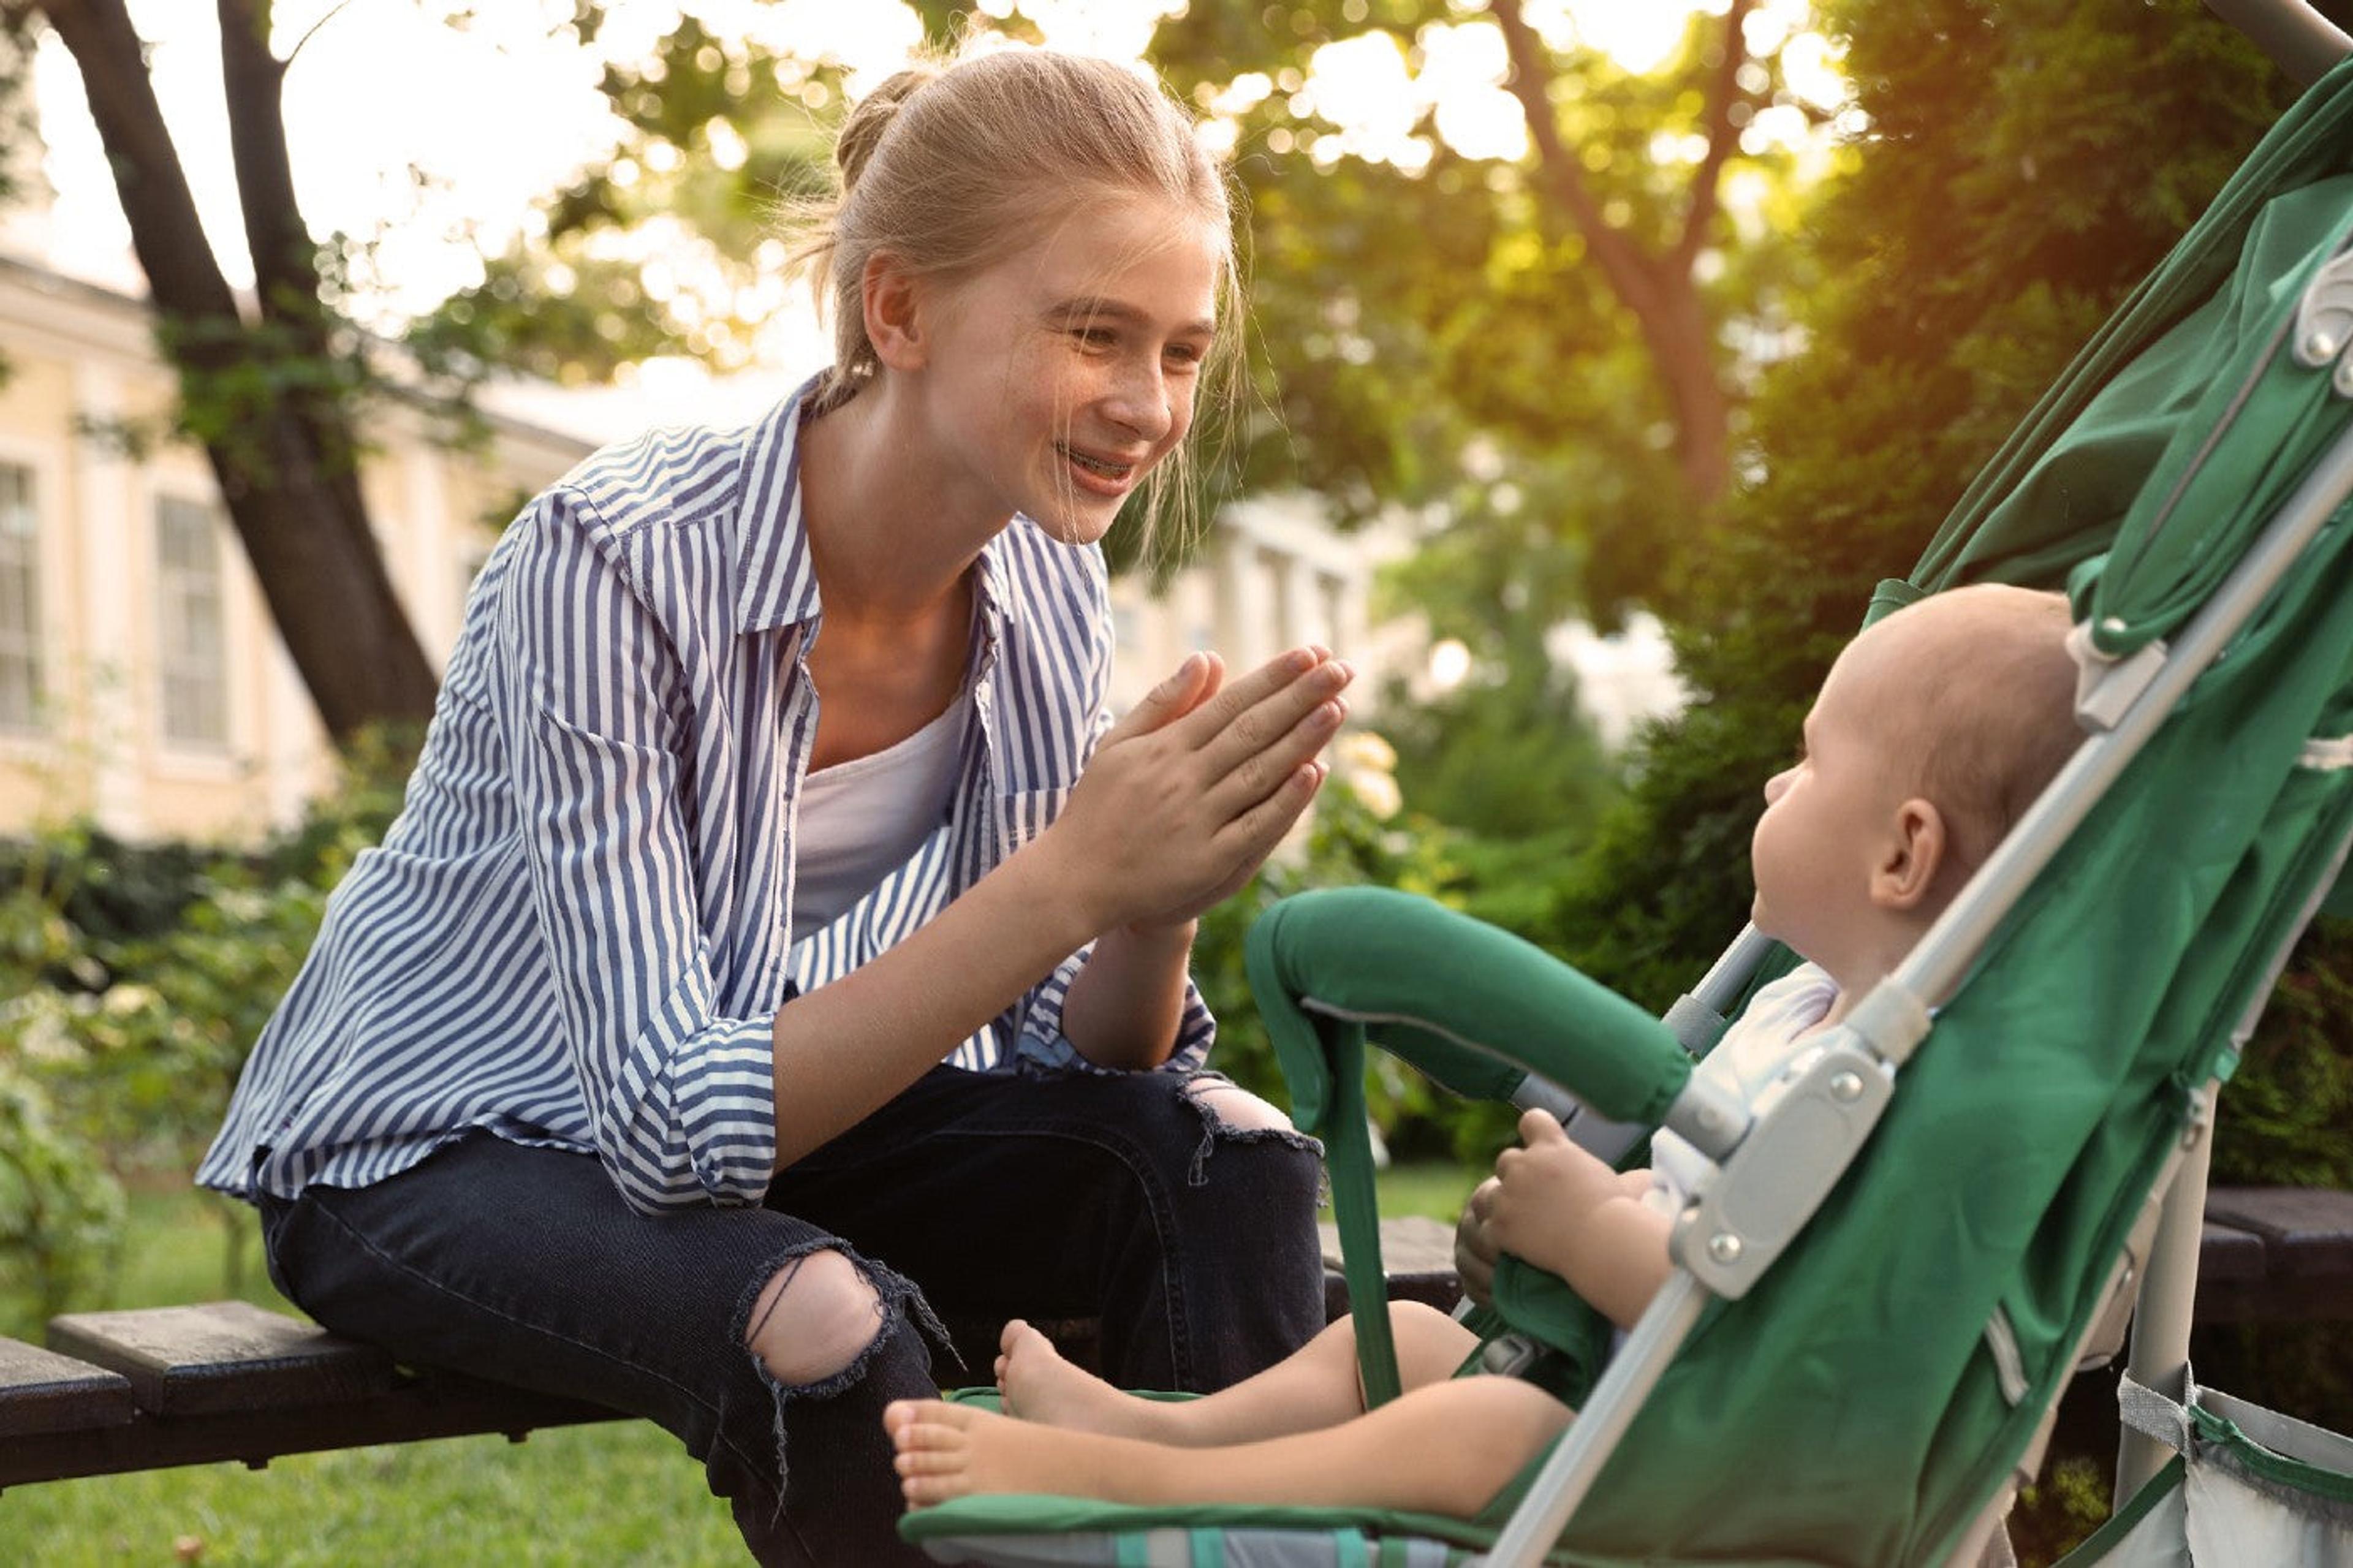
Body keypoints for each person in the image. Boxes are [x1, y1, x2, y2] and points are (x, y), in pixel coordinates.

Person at [197, 45, 1346, 1566]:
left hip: (733, 1126)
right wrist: (1074, 873)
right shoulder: (609, 564)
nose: (1145, 406)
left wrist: (1155, 886)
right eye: (1094, 335)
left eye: (1182, 352)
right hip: (428, 1150)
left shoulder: (1045, 578)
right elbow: (672, 1126)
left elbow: (1075, 1057)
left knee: (1228, 1153)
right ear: (901, 310)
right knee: (820, 1320)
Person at [884, 583, 2083, 1523]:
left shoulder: (1902, 1090)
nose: (1777, 778)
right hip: (1623, 1396)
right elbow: (1696, 1201)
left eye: (1811, 761)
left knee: (1482, 1434)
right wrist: (1560, 1228)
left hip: (1718, 1472)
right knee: (1398, 1339)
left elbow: (1794, 1327)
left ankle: (1133, 1484)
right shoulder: (1794, 1014)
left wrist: (1591, 1232)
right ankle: (1152, 1431)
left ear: (1904, 853)